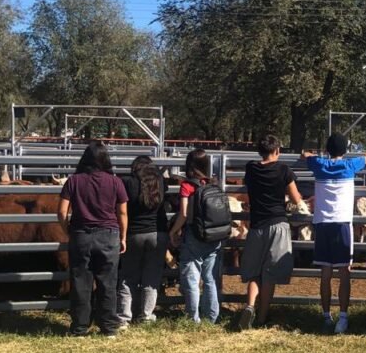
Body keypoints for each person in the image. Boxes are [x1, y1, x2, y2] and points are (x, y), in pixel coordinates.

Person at [303, 133, 366, 334]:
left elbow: (305, 155)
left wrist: (309, 154)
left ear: (327, 150)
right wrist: (365, 155)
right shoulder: (350, 165)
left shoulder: (318, 165)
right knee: (345, 272)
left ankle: (326, 316)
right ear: (344, 151)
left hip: (322, 224)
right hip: (342, 224)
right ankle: (343, 317)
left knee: (325, 274)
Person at [57, 141, 128, 338]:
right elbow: (122, 213)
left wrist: (69, 231)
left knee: (81, 282)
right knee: (108, 283)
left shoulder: (74, 181)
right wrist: (122, 237)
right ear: (106, 159)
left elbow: (62, 212)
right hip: (109, 235)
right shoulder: (116, 182)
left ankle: (80, 328)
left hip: (81, 235)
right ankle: (108, 328)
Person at [239, 135, 305, 329]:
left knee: (254, 273)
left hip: (257, 226)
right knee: (270, 274)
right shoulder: (284, 169)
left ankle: (250, 306)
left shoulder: (251, 168)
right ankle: (261, 318)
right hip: (278, 223)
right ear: (277, 151)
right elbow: (295, 198)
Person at [168, 149, 226, 324]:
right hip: (214, 235)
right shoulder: (214, 183)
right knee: (210, 278)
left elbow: (184, 213)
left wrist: (173, 231)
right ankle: (212, 317)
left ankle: (193, 318)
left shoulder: (187, 185)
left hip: (194, 235)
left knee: (192, 278)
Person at [117, 155, 169, 326]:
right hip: (157, 233)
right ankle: (146, 316)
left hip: (134, 234)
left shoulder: (128, 182)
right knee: (151, 277)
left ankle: (124, 317)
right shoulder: (160, 181)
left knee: (128, 276)